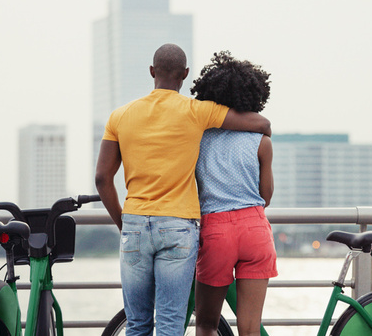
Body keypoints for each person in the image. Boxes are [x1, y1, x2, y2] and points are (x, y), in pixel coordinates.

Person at [94, 43, 272, 336]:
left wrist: (123, 223)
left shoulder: (119, 116)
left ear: (152, 72)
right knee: (170, 324)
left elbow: (102, 178)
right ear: (185, 74)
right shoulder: (196, 111)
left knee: (137, 323)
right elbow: (260, 123)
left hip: (136, 223)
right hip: (179, 226)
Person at [190, 51, 277, 336]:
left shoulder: (199, 140)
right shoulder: (261, 142)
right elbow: (266, 196)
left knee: (205, 324)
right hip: (255, 229)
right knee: (250, 330)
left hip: (216, 229)